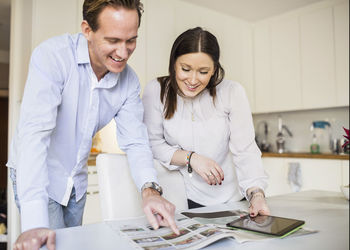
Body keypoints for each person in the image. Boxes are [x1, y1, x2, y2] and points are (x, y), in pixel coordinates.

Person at [7, 1, 179, 249]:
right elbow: (34, 136)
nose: (123, 52)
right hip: (40, 173)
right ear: (87, 30)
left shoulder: (128, 81)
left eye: (131, 40)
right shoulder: (53, 57)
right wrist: (33, 223)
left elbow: (136, 141)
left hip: (76, 181)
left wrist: (150, 190)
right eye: (113, 40)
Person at [142, 27, 270, 215]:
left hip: (234, 199)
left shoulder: (232, 92)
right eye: (185, 69)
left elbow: (245, 150)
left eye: (203, 71)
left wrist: (257, 194)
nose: (193, 80)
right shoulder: (156, 90)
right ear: (173, 64)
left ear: (214, 70)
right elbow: (152, 144)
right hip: (186, 198)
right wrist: (191, 158)